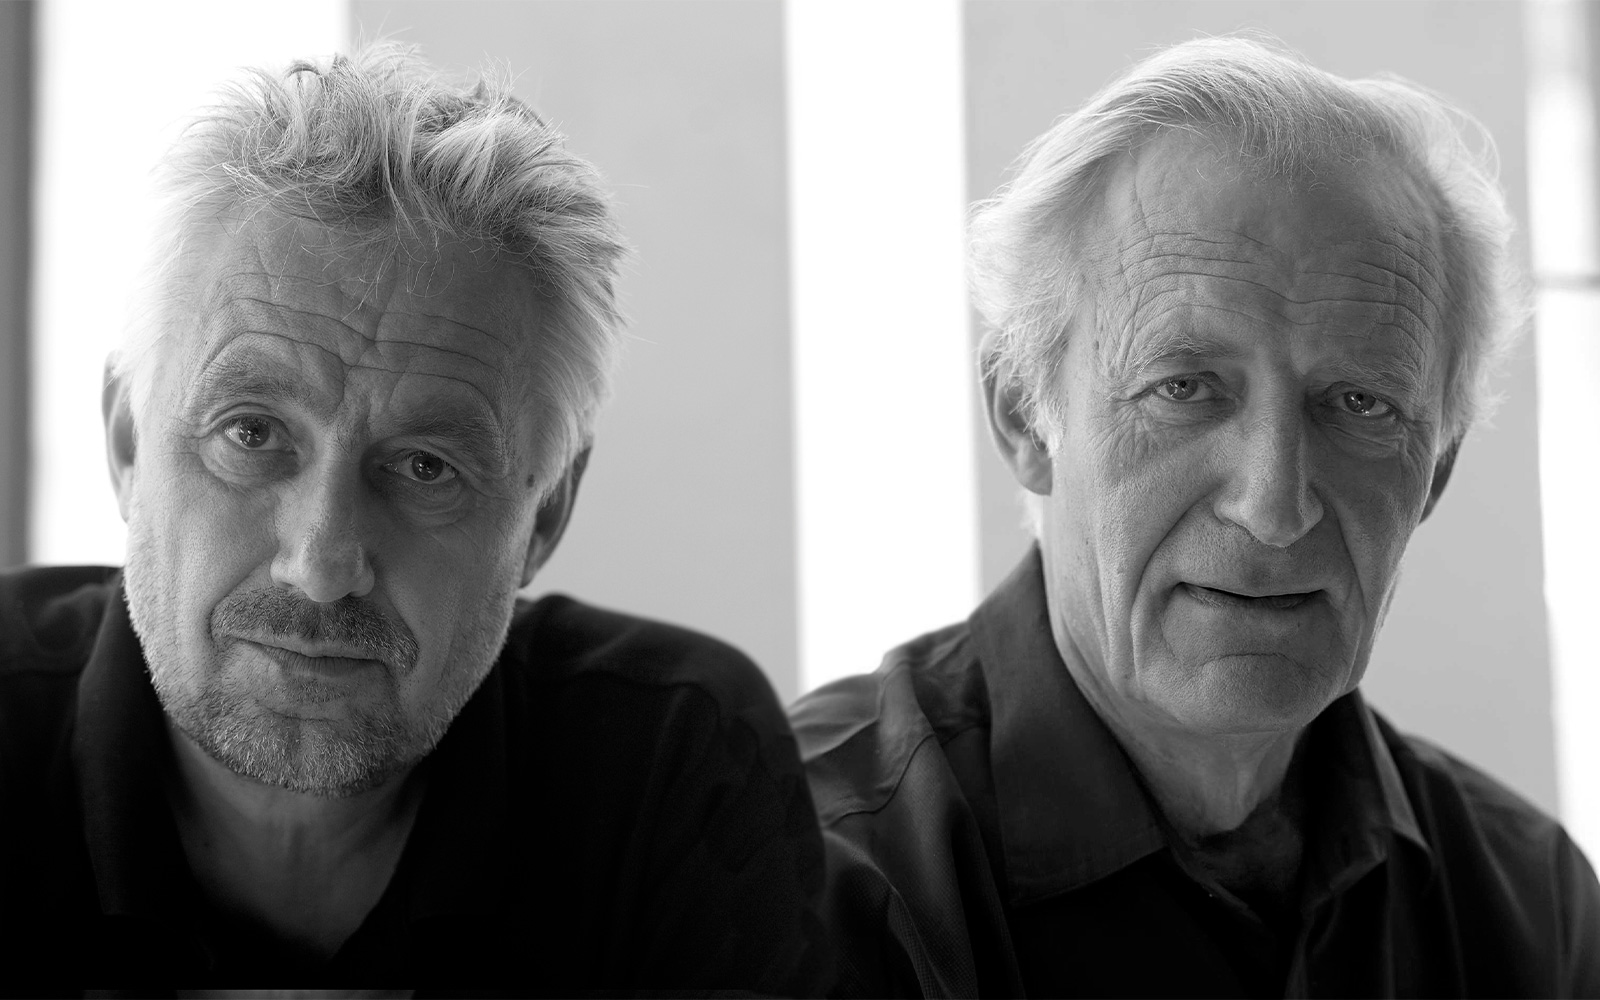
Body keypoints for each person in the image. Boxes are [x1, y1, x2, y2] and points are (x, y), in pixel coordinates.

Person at [0, 45, 825, 992]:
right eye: (252, 432)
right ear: (128, 444)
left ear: (545, 514)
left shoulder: (667, 768)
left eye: (427, 467)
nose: (321, 564)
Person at [792, 36, 1600, 998]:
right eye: (1184, 387)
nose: (1272, 507)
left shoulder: (1530, 900)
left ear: (1437, 471)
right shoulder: (801, 877)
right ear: (1024, 415)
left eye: (1360, 404)